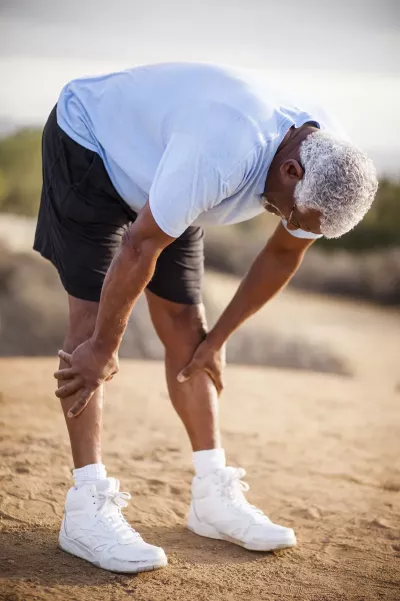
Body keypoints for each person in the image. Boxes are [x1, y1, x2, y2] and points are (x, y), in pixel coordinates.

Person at [34, 62, 378, 573]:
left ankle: (210, 495)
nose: (287, 224)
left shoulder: (329, 165)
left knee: (188, 331)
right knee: (91, 329)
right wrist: (104, 349)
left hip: (166, 170)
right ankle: (85, 507)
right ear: (291, 171)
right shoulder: (223, 150)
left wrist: (218, 337)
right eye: (289, 214)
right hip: (92, 147)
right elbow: (139, 245)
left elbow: (283, 256)